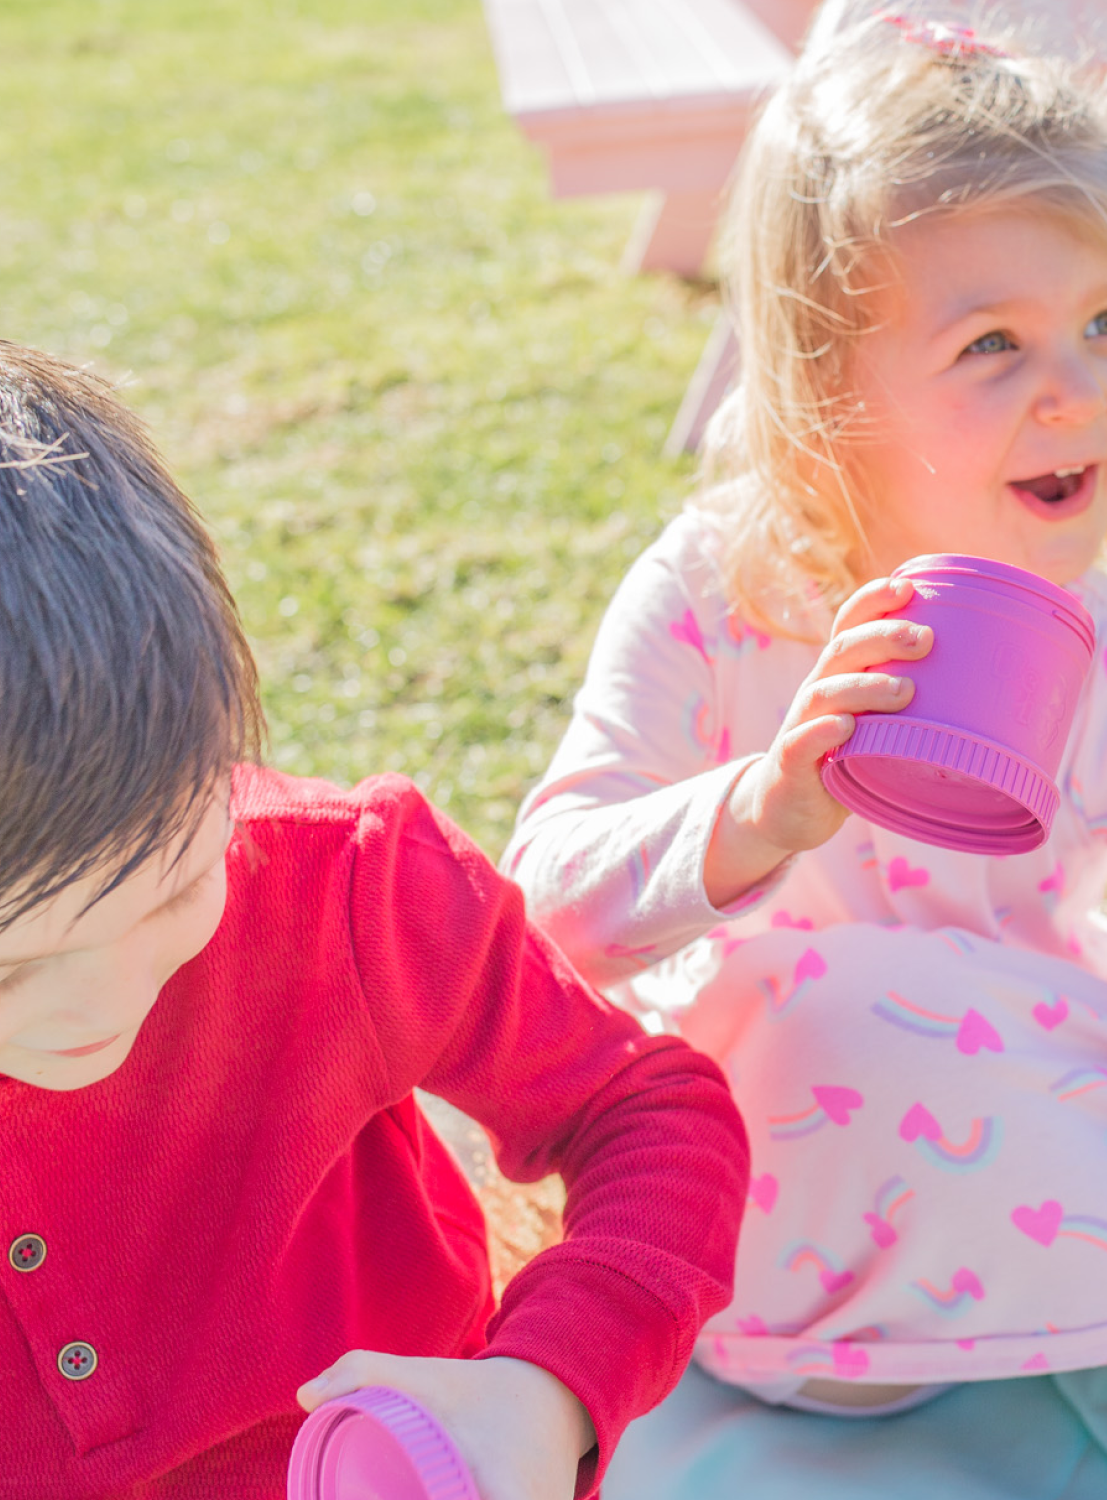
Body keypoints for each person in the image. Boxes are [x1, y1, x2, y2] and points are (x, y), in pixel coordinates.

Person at [502, 10, 1107, 1500]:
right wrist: (761, 809)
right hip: (810, 1216)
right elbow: (540, 912)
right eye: (991, 344)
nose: (1077, 389)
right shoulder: (719, 591)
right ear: (830, 394)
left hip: (1060, 1131)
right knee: (834, 1005)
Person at [0, 340, 749, 1500]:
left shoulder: (348, 890)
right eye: (11, 972)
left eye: (169, 890)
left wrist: (550, 1386)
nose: (95, 1004)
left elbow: (650, 1113)